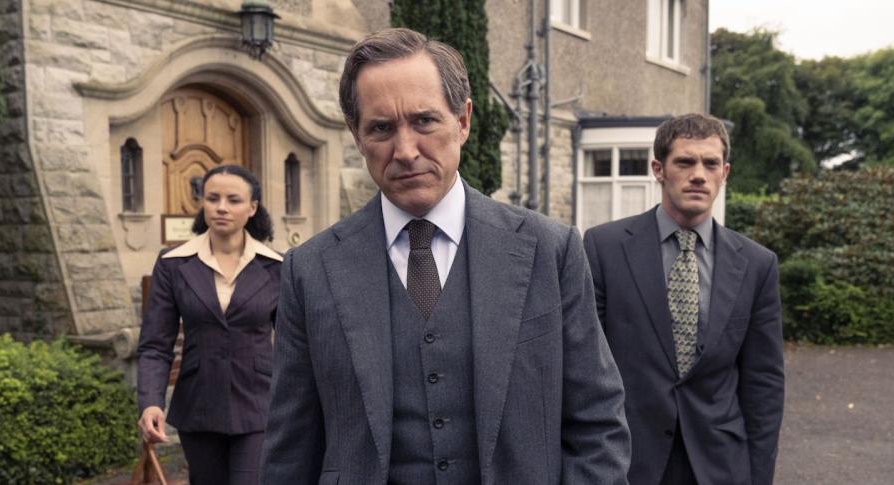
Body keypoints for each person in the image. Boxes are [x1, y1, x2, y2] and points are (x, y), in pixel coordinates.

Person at [260, 28, 630, 484]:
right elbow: (291, 446)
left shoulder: (549, 252)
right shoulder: (310, 269)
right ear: (356, 135)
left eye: (424, 121)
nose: (406, 150)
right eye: (381, 128)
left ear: (464, 121)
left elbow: (598, 426)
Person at [584, 114, 784, 485]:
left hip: (719, 463)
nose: (698, 174)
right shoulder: (603, 248)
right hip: (626, 459)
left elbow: (764, 384)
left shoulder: (758, 265)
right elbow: (583, 368)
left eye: (710, 163)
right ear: (658, 169)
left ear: (725, 172)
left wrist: (759, 476)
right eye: (685, 162)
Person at [136, 164, 282, 485]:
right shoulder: (173, 263)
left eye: (233, 200)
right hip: (198, 405)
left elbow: (294, 346)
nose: (222, 208)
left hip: (258, 404)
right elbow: (155, 344)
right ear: (202, 203)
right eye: (213, 198)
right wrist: (150, 402)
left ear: (252, 207)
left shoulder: (277, 266)